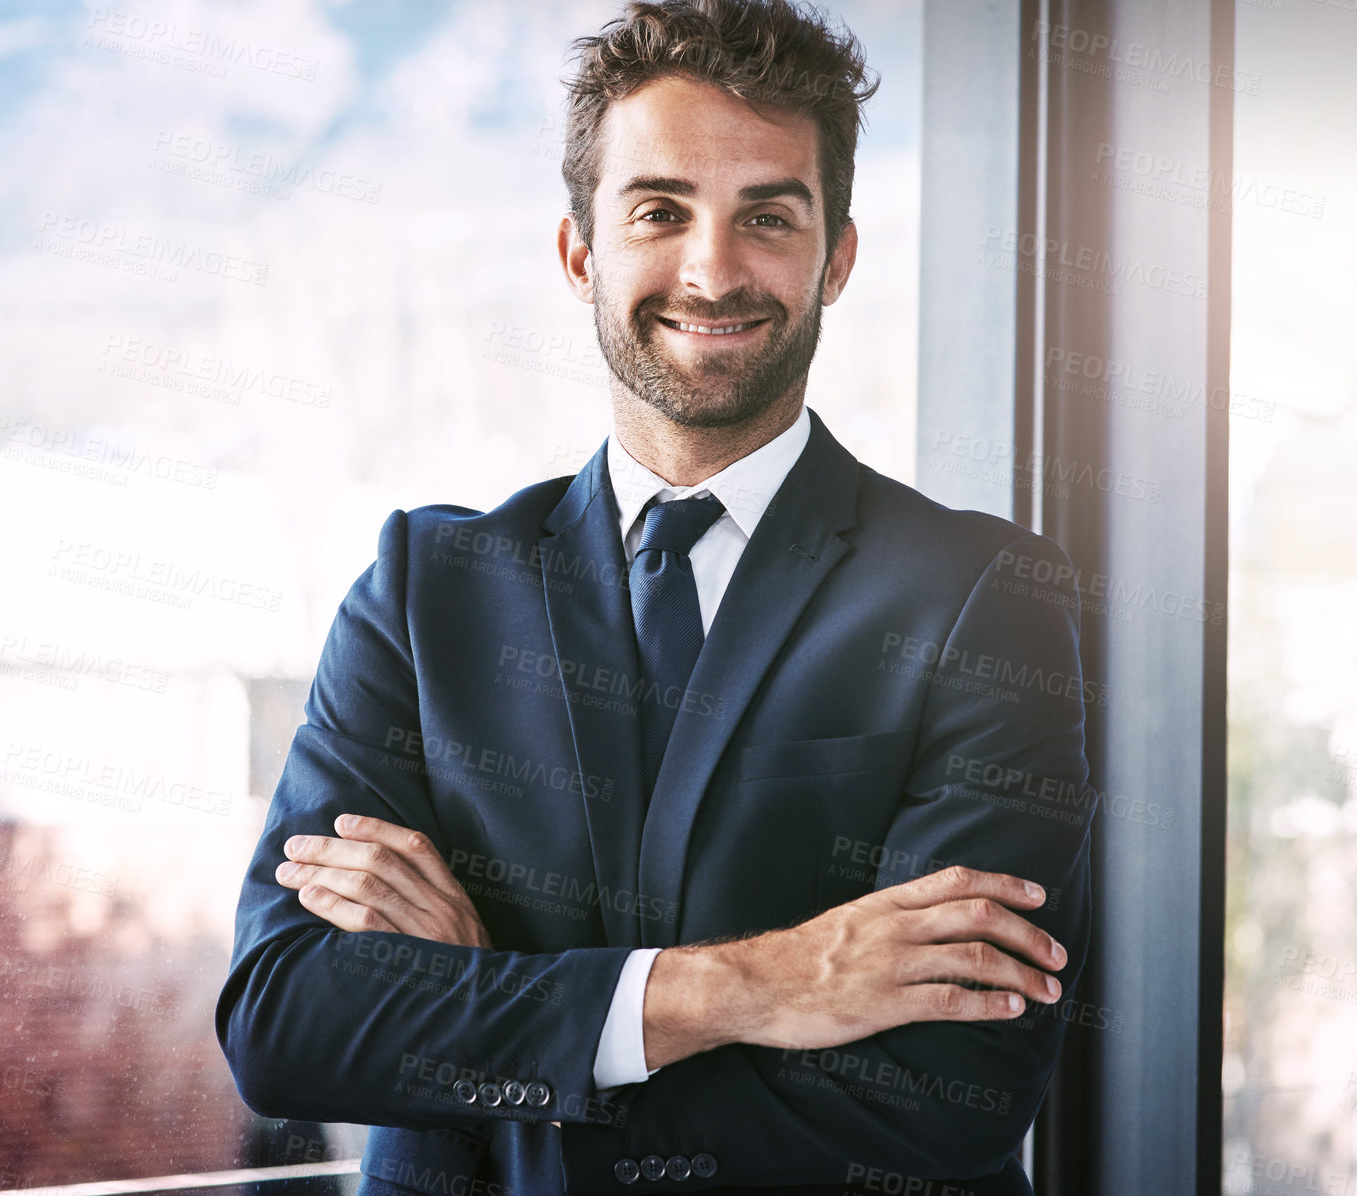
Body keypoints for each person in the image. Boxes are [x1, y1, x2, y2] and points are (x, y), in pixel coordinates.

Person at [216, 1, 1096, 1191]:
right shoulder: (427, 592)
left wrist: (491, 995)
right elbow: (286, 1023)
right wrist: (767, 982)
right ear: (582, 249)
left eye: (768, 216)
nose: (712, 269)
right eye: (660, 211)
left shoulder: (983, 600)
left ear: (836, 254)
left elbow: (949, 1095)